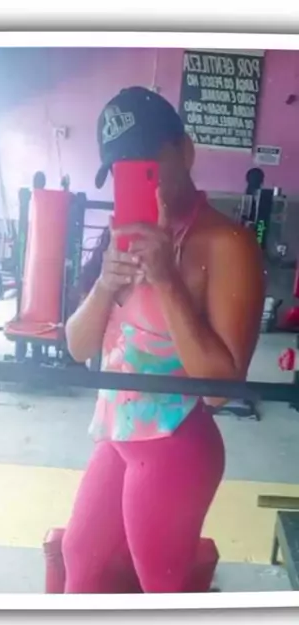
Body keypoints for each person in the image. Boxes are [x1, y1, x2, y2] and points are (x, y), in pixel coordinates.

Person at [62, 87, 265, 594]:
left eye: (148, 163)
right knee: (80, 561)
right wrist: (105, 284)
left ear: (186, 152)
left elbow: (221, 391)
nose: (138, 177)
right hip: (118, 436)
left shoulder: (227, 245)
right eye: (122, 169)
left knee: (159, 590)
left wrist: (167, 281)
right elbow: (78, 348)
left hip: (175, 446)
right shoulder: (121, 235)